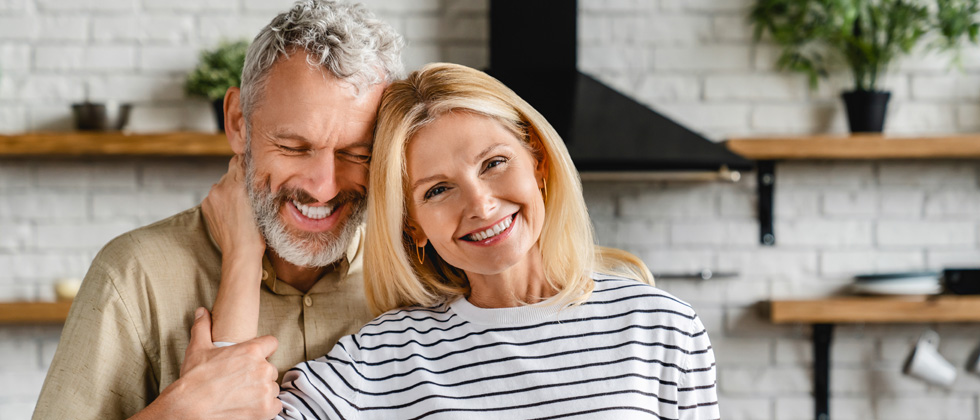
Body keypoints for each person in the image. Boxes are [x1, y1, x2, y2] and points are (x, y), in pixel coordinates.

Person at [203, 62, 720, 419]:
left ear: (537, 162)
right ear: (412, 225)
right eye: (439, 189)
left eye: (494, 163)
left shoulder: (660, 326)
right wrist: (244, 254)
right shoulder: (389, 355)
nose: (480, 204)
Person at [31, 1, 404, 419]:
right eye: (294, 148)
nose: (324, 187)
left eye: (357, 153)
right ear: (238, 123)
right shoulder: (134, 274)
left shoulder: (417, 273)